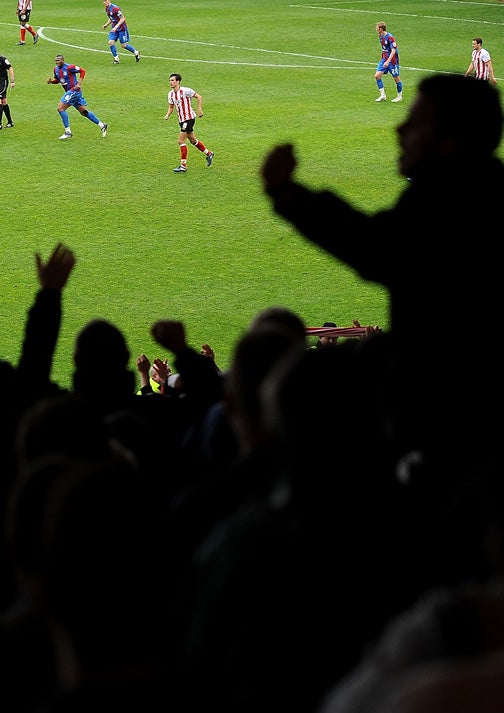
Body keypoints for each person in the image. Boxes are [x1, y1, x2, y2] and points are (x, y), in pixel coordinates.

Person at [261, 73, 504, 470]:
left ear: (451, 140)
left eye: (417, 122)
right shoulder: (473, 187)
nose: (400, 129)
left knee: (306, 389)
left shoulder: (455, 202)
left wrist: (289, 196)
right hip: (456, 383)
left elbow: (379, 249)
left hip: (456, 412)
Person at [47, 54, 108, 140]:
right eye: (56, 61)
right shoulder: (56, 69)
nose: (57, 62)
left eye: (59, 60)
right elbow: (58, 80)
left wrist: (79, 83)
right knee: (84, 112)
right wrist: (51, 82)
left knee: (60, 108)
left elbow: (83, 71)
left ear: (63, 60)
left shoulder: (69, 67)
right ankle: (102, 125)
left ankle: (68, 132)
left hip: (74, 91)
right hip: (70, 93)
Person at [165, 73, 215, 173]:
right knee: (193, 140)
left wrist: (199, 109)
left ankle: (183, 165)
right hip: (181, 120)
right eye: (170, 80)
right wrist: (167, 115)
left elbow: (199, 97)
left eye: (173, 80)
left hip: (189, 119)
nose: (171, 82)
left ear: (178, 81)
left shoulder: (186, 91)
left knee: (181, 140)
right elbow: (171, 107)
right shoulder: (170, 94)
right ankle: (209, 153)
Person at [374, 21, 403, 102]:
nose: (376, 29)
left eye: (377, 28)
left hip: (392, 61)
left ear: (381, 29)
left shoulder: (390, 37)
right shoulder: (380, 36)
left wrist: (388, 61)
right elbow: (384, 49)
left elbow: (393, 51)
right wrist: (383, 59)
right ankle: (383, 95)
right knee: (377, 76)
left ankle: (399, 96)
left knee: (396, 78)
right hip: (384, 59)